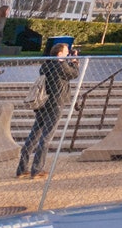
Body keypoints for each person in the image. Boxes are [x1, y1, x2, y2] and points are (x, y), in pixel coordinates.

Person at [17, 41, 79, 178]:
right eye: (66, 51)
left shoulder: (46, 65)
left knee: (34, 134)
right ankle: (37, 169)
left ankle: (22, 168)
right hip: (55, 103)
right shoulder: (60, 65)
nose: (68, 53)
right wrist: (74, 62)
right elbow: (74, 74)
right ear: (59, 53)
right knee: (46, 137)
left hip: (43, 102)